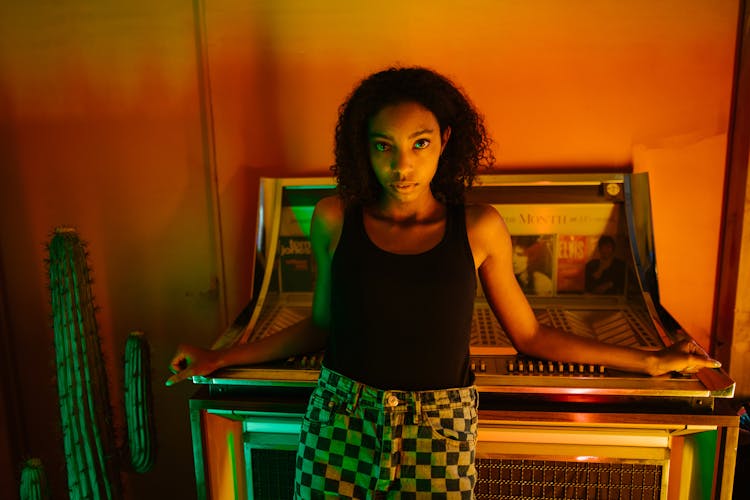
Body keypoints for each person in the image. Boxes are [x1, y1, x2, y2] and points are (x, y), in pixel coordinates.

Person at [166, 67, 721, 498]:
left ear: (446, 140)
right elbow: (321, 326)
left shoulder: (478, 227)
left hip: (439, 426)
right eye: (384, 146)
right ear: (364, 146)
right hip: (339, 419)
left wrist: (652, 362)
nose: (401, 166)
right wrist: (221, 358)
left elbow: (531, 337)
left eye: (420, 144)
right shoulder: (334, 218)